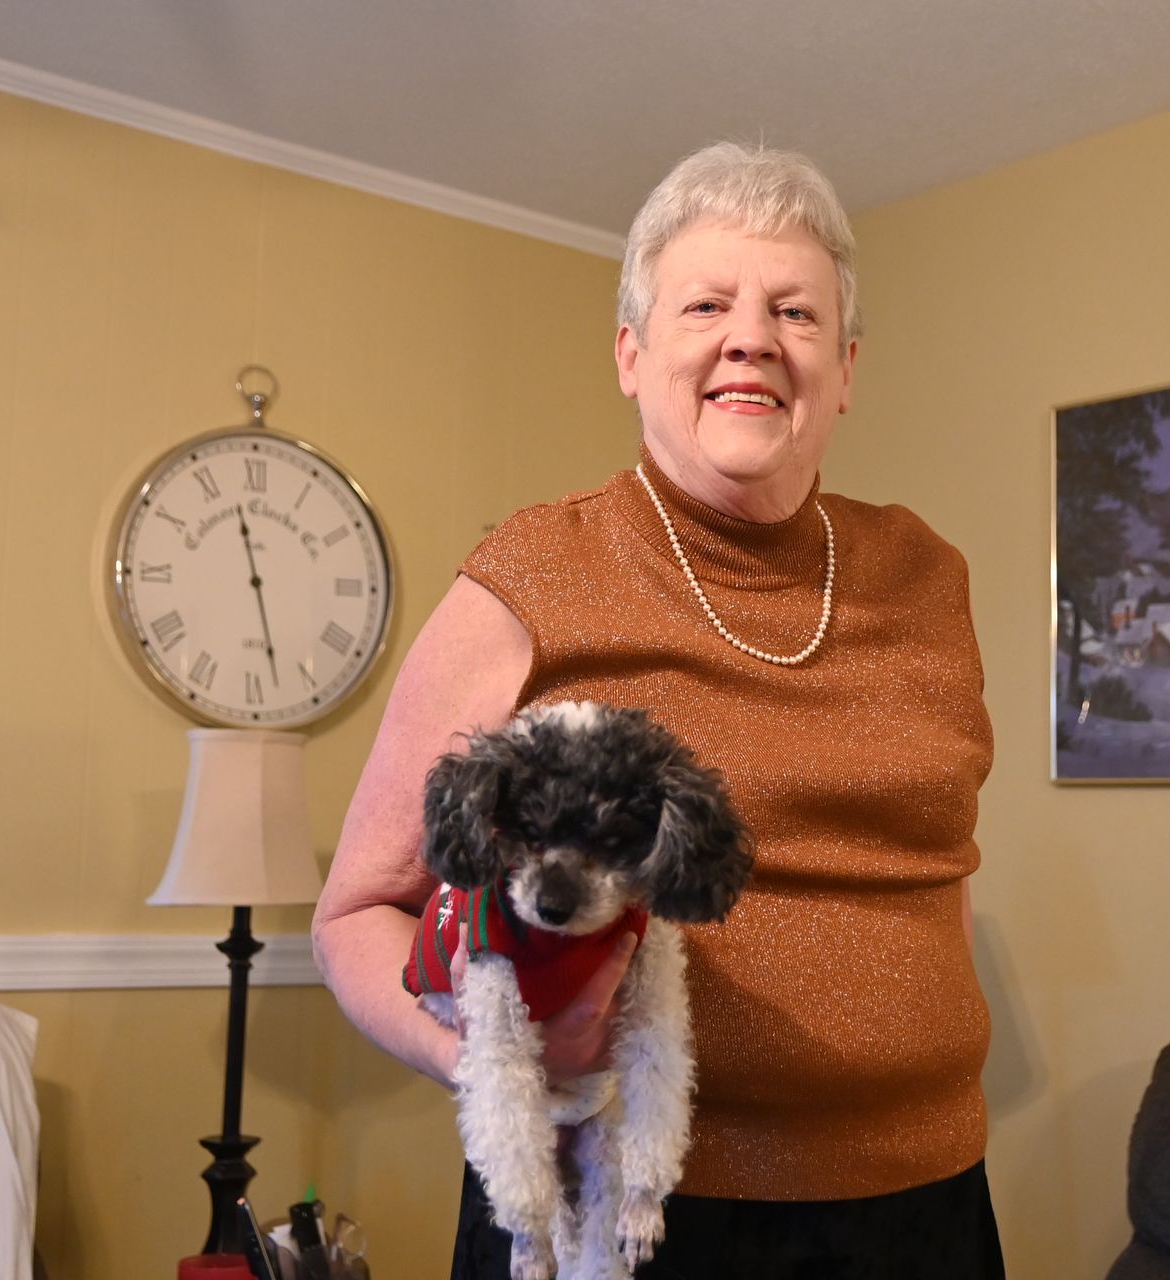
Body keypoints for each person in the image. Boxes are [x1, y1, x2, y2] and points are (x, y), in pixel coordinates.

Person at [313, 141, 1000, 1278]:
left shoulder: (928, 576)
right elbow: (354, 915)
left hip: (924, 1204)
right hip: (630, 1213)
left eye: (795, 311)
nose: (753, 337)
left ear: (844, 368)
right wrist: (497, 1060)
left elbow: (939, 865)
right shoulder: (532, 572)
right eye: (707, 305)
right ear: (631, 354)